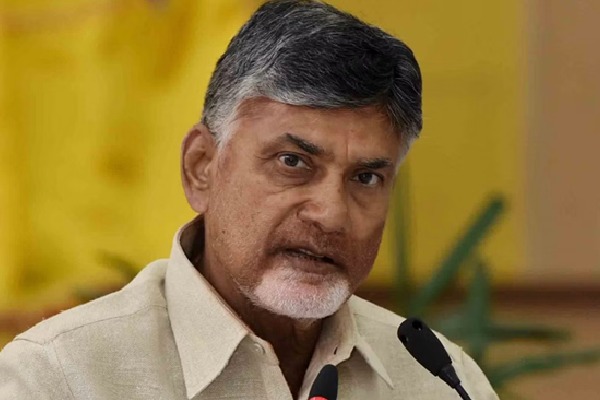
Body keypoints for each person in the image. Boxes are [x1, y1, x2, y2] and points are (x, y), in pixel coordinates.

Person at [0, 1, 498, 399]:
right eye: (293, 162)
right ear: (201, 167)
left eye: (366, 178)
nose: (330, 213)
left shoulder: (438, 381)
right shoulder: (60, 378)